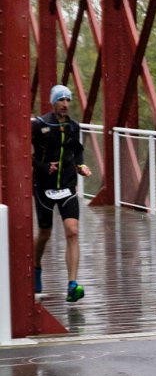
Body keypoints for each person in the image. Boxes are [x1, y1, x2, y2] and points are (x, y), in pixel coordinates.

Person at [32, 84, 92, 302]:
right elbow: (26, 153)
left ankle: (72, 284)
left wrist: (80, 166)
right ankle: (36, 267)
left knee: (72, 231)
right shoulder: (39, 125)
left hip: (67, 186)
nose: (65, 104)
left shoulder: (73, 126)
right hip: (44, 187)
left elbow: (77, 151)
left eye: (68, 100)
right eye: (61, 100)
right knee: (45, 234)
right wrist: (43, 166)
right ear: (53, 102)